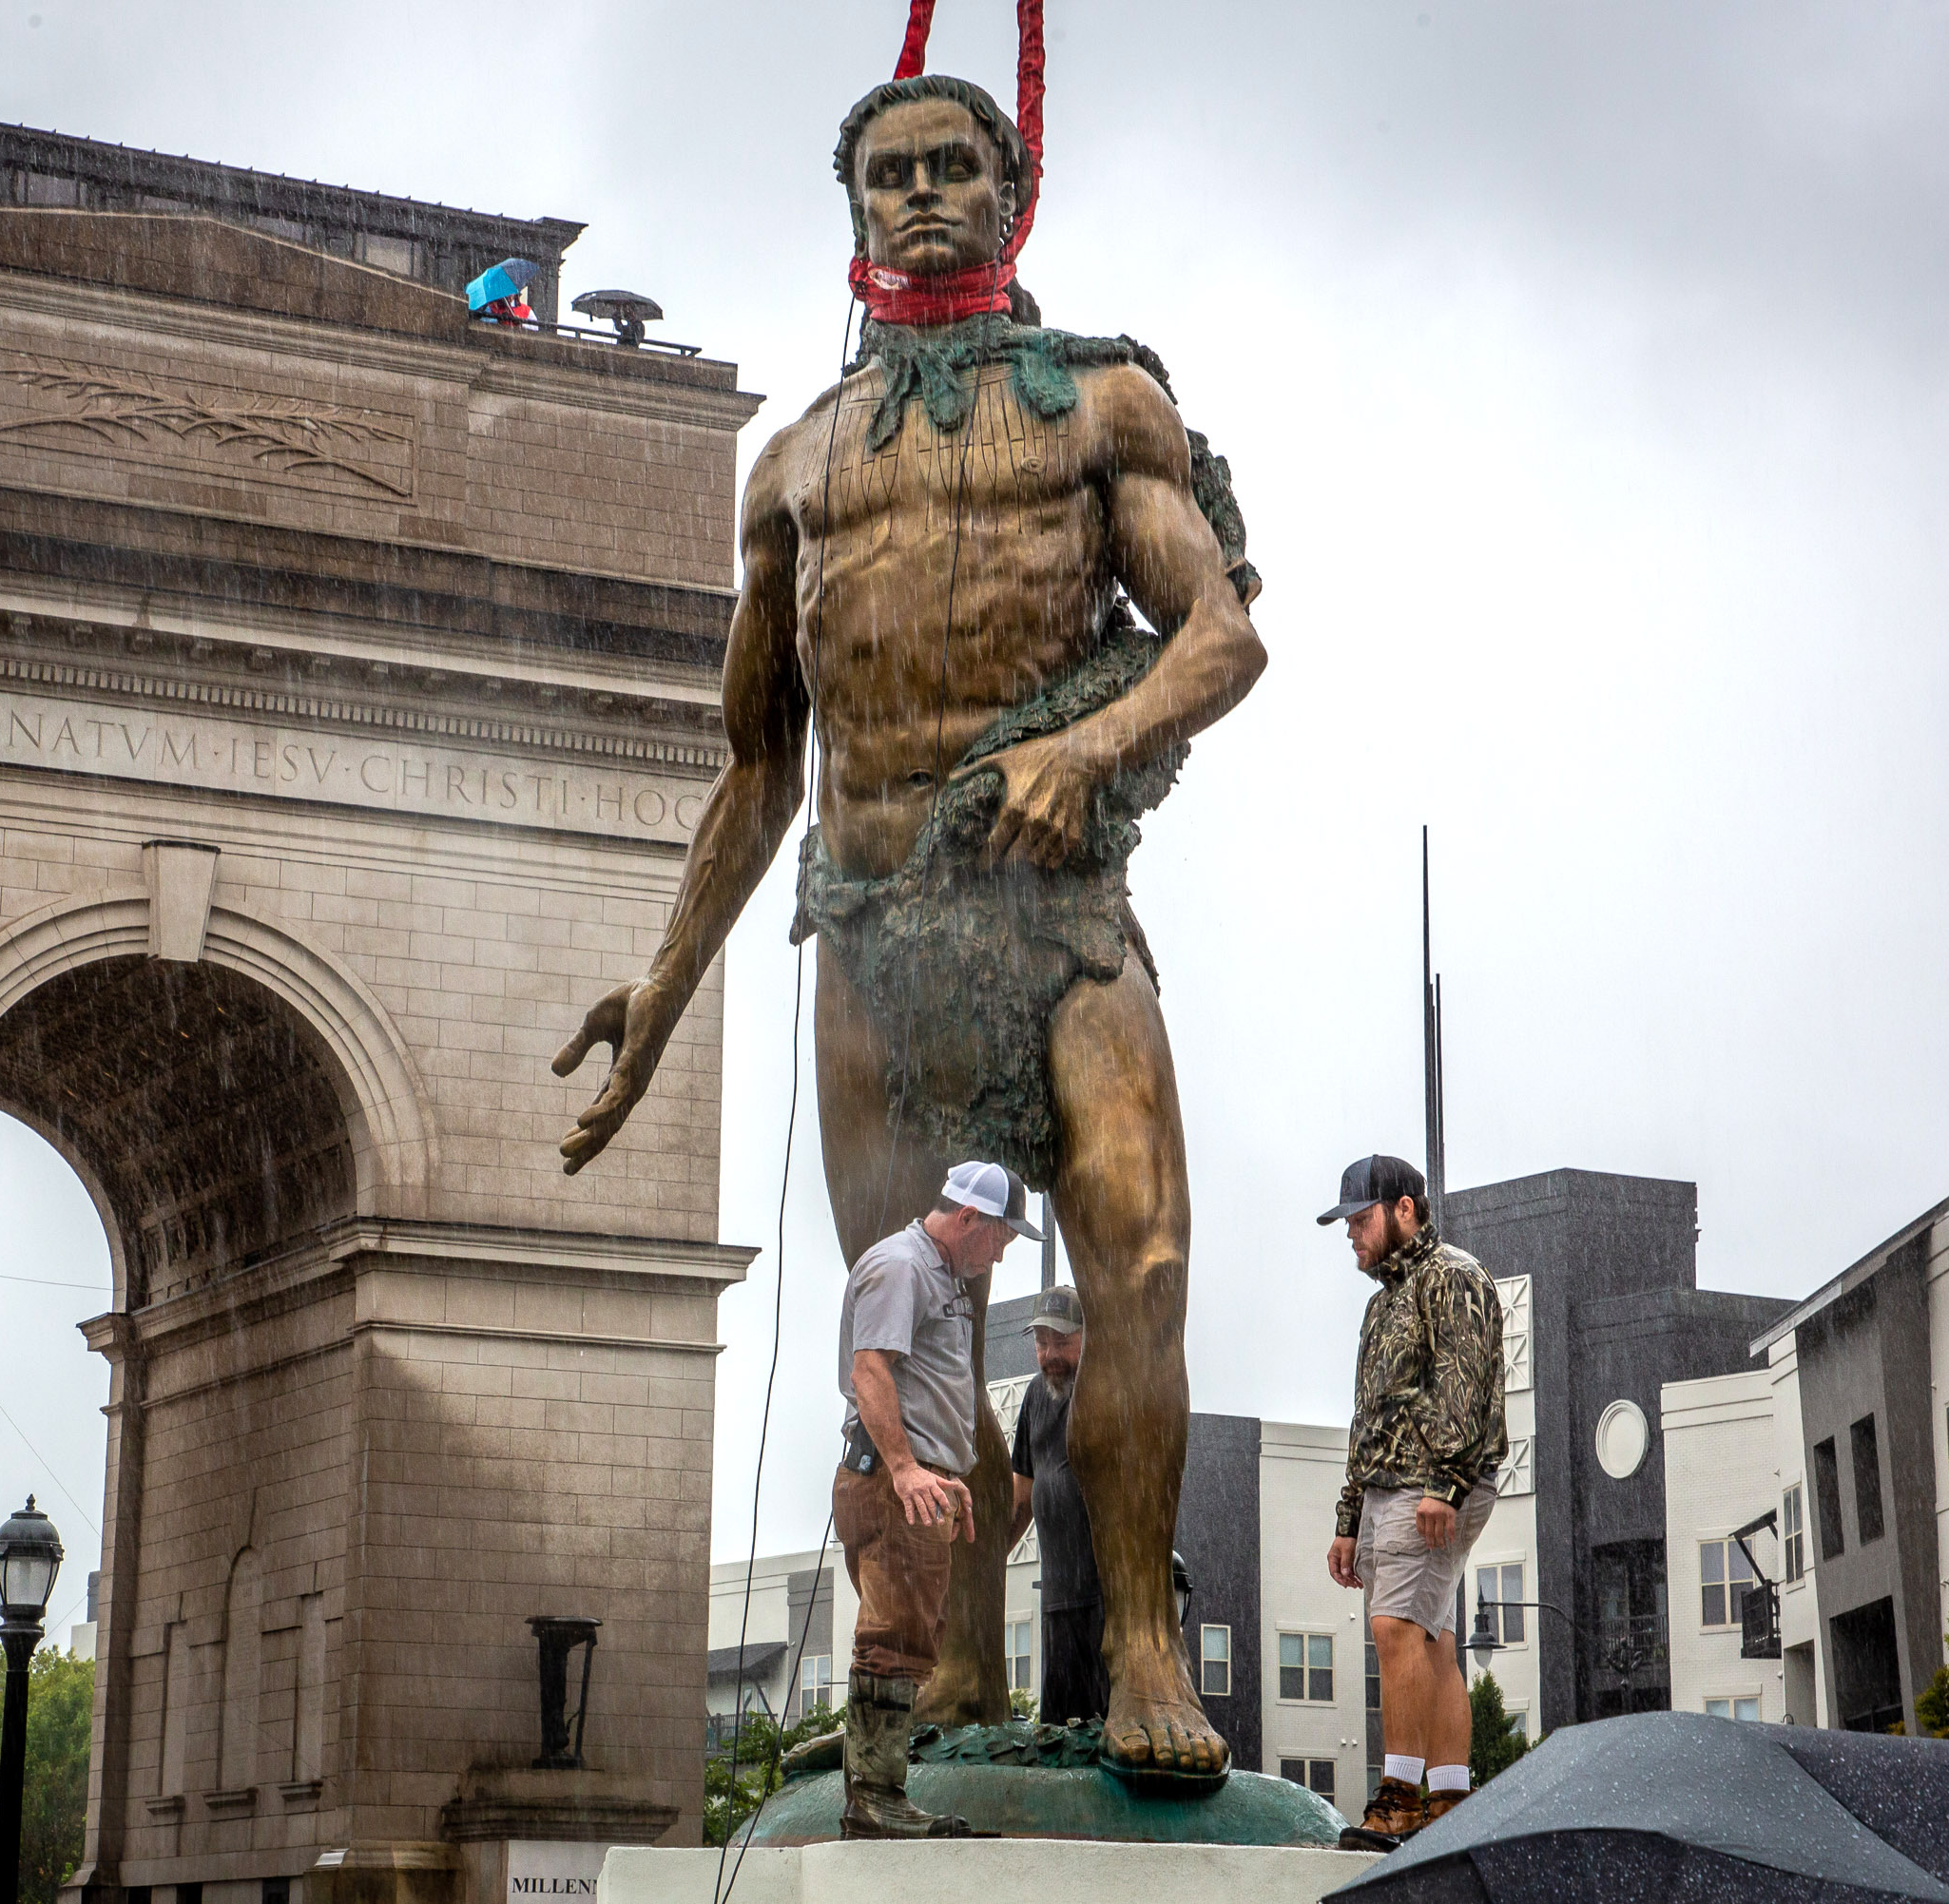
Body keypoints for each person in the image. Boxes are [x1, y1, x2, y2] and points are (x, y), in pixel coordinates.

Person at [553, 67, 1264, 1779]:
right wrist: (658, 991)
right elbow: (755, 765)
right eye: (890, 173)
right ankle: (953, 1657)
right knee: (908, 1326)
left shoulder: (1105, 406)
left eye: (954, 166)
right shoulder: (793, 462)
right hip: (871, 930)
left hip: (1059, 912)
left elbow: (1221, 634)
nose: (922, 193)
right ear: (854, 208)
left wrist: (1084, 745)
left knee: (1143, 1263)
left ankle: (1148, 1646)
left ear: (1010, 197)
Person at [833, 1160, 1037, 1837]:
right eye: (1002, 1236)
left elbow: (917, 1387)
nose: (1002, 1253)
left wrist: (936, 1471)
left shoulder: (938, 1273)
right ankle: (874, 1796)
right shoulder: (903, 1267)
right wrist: (903, 1467)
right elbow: (870, 1369)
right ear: (968, 1218)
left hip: (910, 1485)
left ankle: (874, 1786)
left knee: (912, 1634)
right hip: (891, 1487)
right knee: (893, 1637)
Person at [1319, 1154, 1506, 1851]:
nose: (1351, 1235)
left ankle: (1399, 1803)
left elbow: (1465, 1384)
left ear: (1404, 1208)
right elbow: (1367, 1415)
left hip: (1430, 1486)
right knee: (1433, 1640)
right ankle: (1451, 1804)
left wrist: (1447, 1486)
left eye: (1360, 1219)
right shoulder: (1382, 1303)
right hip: (1396, 1488)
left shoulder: (1453, 1275)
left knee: (1395, 1630)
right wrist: (1347, 1519)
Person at [1006, 1284, 1106, 1724]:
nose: (1050, 1355)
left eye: (1062, 1342)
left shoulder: (1105, 1391)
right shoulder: (1033, 1396)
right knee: (1058, 1730)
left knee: (1108, 1727)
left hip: (1107, 1598)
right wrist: (992, 1559)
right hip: (1057, 1596)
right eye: (1042, 1343)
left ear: (1089, 1336)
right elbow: (1022, 1495)